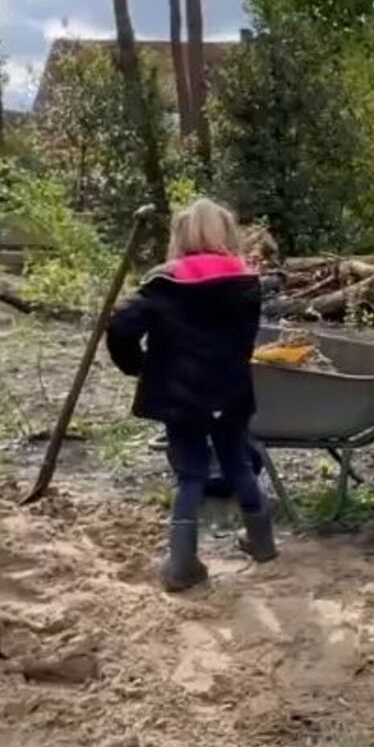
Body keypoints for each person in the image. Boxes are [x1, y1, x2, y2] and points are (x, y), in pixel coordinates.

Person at [106, 197, 276, 592]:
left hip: (181, 395)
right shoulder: (246, 282)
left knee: (192, 474)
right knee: (238, 463)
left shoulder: (165, 284)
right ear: (227, 233)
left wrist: (137, 365)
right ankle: (262, 542)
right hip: (231, 391)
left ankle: (182, 565)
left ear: (180, 236)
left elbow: (120, 327)